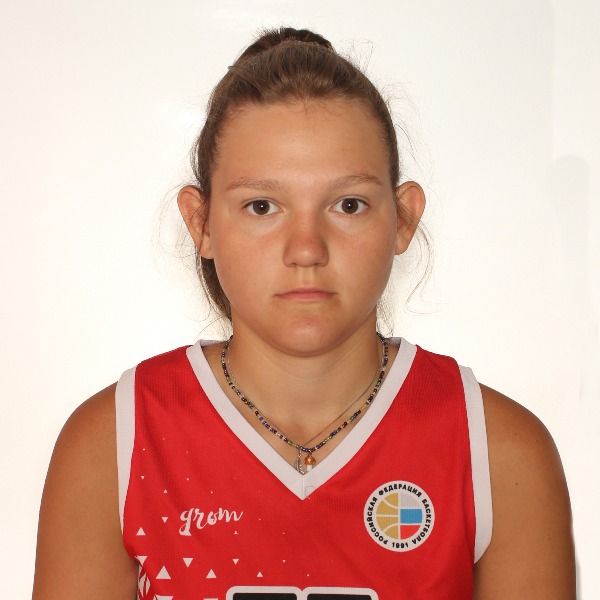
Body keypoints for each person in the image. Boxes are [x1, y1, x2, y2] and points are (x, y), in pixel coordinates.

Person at [32, 27, 575, 599]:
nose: (307, 249)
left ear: (403, 219)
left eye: (348, 204)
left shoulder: (498, 453)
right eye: (261, 206)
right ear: (201, 223)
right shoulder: (114, 445)